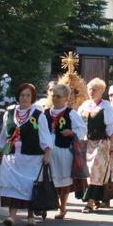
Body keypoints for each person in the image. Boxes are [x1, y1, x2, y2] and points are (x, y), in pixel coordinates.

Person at [0, 83, 53, 225]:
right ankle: (12, 216)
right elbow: (4, 135)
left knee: (30, 186)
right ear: (18, 96)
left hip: (32, 157)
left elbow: (45, 136)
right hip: (12, 157)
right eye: (22, 95)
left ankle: (30, 216)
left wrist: (47, 154)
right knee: (12, 185)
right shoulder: (9, 113)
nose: (25, 98)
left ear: (32, 97)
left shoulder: (38, 115)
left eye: (28, 95)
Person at [45, 83, 86, 217]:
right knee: (48, 179)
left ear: (66, 99)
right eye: (54, 96)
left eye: (59, 96)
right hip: (48, 151)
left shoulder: (71, 113)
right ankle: (46, 203)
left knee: (63, 181)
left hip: (63, 150)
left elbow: (82, 129)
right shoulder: (46, 113)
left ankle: (62, 207)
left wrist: (72, 132)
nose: (55, 99)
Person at [78, 79, 113, 212]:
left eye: (95, 89)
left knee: (94, 171)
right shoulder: (84, 105)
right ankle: (97, 198)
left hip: (101, 143)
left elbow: (111, 130)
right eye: (90, 89)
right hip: (86, 143)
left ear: (102, 91)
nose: (91, 92)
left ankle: (89, 203)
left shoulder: (106, 107)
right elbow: (79, 125)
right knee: (87, 173)